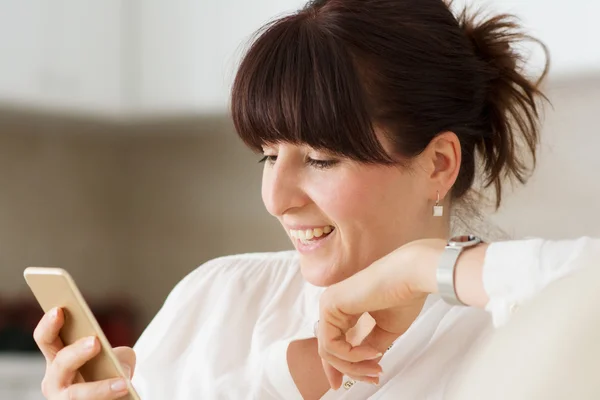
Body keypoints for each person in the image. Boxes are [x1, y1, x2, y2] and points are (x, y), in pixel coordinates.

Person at [30, 0, 599, 399]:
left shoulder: (505, 331)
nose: (276, 198)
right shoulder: (217, 297)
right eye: (268, 155)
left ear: (438, 164)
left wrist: (423, 268)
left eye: (322, 159)